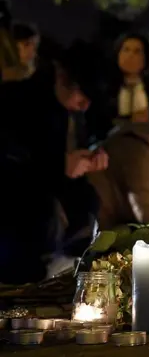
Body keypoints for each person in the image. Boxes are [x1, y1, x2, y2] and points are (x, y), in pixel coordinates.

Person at [0, 41, 107, 284]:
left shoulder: (69, 112)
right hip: (17, 234)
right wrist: (61, 165)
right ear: (61, 74)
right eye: (83, 93)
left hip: (52, 242)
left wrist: (90, 156)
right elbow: (13, 163)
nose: (85, 105)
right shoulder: (15, 101)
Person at [87, 33, 149, 142]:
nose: (130, 55)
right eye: (126, 50)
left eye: (137, 51)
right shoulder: (104, 88)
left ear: (146, 58)